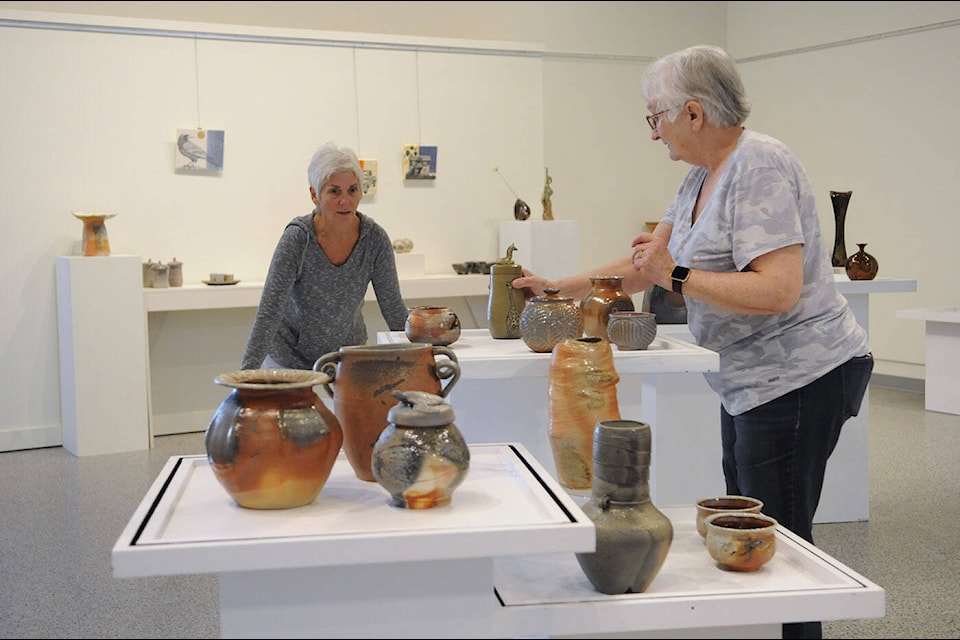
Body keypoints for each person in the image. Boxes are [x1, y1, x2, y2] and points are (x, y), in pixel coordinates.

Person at [513, 46, 872, 639]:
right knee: (748, 525)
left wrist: (674, 277)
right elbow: (638, 270)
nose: (653, 133)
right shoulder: (699, 179)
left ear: (695, 113)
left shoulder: (758, 165)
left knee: (777, 541)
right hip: (750, 380)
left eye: (656, 116)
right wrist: (559, 286)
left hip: (799, 377)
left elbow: (779, 290)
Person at [241, 141, 409, 371]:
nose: (345, 200)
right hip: (290, 361)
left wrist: (428, 355)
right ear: (314, 195)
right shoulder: (298, 238)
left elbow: (394, 312)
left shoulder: (375, 240)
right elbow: (270, 312)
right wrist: (245, 378)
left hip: (347, 359)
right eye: (334, 191)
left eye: (352, 189)